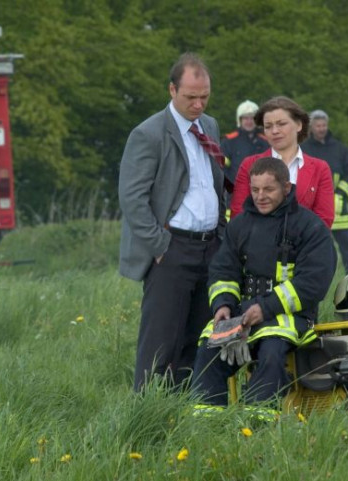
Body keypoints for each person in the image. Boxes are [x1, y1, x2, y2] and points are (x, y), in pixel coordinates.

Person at [190, 157, 336, 412]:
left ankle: (258, 422)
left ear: (286, 188)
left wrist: (266, 308)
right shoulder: (239, 226)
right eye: (255, 189)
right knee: (208, 351)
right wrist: (223, 305)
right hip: (241, 315)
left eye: (268, 189)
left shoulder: (310, 227)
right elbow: (223, 270)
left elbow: (313, 283)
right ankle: (207, 423)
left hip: (289, 317)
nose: (260, 196)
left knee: (271, 352)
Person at [119, 53, 226, 392]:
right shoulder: (148, 134)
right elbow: (132, 198)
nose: (198, 104)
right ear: (172, 90)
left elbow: (215, 183)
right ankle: (147, 409)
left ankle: (188, 406)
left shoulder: (210, 127)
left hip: (210, 247)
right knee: (160, 340)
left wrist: (222, 235)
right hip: (171, 248)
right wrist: (159, 246)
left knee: (200, 336)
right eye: (191, 97)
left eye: (204, 97)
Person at [229, 96, 334, 229]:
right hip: (257, 241)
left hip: (306, 242)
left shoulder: (320, 168)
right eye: (268, 126)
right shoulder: (249, 165)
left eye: (281, 124)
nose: (274, 131)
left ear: (299, 125)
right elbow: (239, 216)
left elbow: (324, 220)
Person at [302, 110, 348, 273]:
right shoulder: (304, 149)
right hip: (312, 206)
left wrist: (340, 194)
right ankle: (314, 276)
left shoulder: (340, 149)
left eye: (324, 125)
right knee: (313, 246)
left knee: (347, 245)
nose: (321, 129)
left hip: (338, 206)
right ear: (311, 127)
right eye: (318, 126)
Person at [220, 100, 269, 192]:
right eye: (246, 118)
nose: (249, 121)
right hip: (235, 191)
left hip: (261, 191)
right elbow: (221, 167)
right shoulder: (229, 141)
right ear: (240, 120)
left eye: (252, 118)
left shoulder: (266, 141)